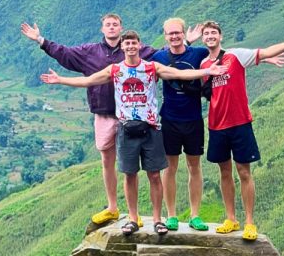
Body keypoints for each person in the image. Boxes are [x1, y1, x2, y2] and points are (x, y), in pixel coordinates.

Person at [40, 30, 228, 235]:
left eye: (133, 43)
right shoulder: (114, 70)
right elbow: (88, 81)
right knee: (130, 175)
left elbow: (180, 73)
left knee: (155, 175)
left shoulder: (151, 67)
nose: (130, 46)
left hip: (151, 128)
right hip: (126, 129)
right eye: (127, 43)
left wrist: (207, 72)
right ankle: (133, 218)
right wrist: (61, 80)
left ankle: (158, 219)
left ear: (140, 46)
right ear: (122, 47)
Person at [21, 14, 201, 226]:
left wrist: (185, 42)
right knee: (110, 162)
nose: (112, 27)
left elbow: (165, 58)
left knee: (147, 169)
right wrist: (41, 41)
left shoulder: (140, 50)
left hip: (139, 119)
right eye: (108, 24)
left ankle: (150, 217)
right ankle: (113, 208)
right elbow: (65, 54)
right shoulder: (90, 51)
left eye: (115, 24)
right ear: (102, 29)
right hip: (105, 113)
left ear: (122, 28)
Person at [151, 18, 284, 232]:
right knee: (171, 168)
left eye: (178, 32)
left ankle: (197, 216)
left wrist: (264, 59)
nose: (174, 36)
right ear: (165, 35)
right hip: (172, 119)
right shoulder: (160, 57)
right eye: (170, 33)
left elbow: (231, 55)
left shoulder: (198, 54)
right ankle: (172, 216)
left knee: (196, 167)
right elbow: (139, 67)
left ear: (184, 33)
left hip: (196, 119)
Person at [200, 21, 284, 240]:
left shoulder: (236, 55)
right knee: (224, 172)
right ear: (203, 39)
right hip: (216, 125)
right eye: (206, 33)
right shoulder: (203, 64)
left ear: (220, 36)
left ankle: (250, 222)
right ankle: (231, 218)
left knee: (244, 171)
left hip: (240, 123)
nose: (210, 36)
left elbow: (265, 51)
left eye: (214, 32)